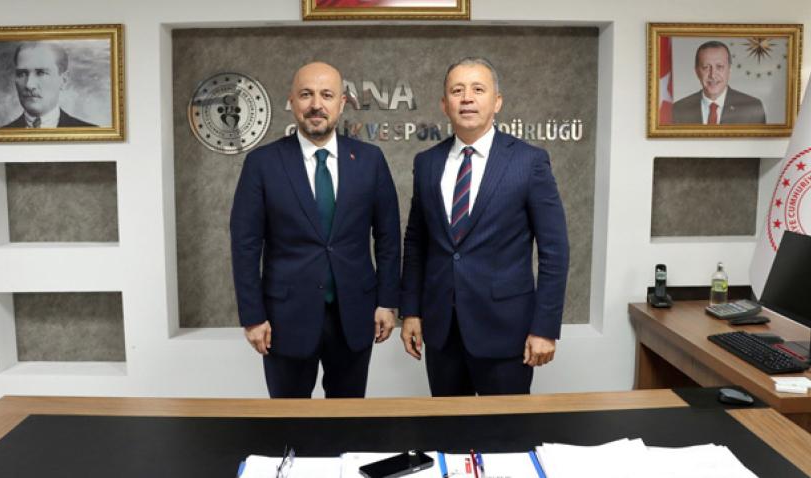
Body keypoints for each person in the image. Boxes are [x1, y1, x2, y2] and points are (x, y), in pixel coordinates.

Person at [230, 61, 401, 398]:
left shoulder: (370, 160)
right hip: (284, 319)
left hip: (354, 314)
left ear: (342, 103)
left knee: (347, 418)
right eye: (306, 94)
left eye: (327, 95)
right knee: (290, 420)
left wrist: (387, 301)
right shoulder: (262, 164)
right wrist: (252, 316)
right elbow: (245, 245)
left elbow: (388, 238)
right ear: (292, 101)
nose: (316, 104)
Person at [400, 57, 569, 396]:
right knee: (449, 425)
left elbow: (555, 250)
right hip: (442, 332)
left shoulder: (529, 161)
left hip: (506, 330)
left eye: (478, 89)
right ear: (444, 104)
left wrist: (545, 328)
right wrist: (411, 312)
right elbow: (417, 243)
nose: (467, 98)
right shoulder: (427, 162)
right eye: (457, 91)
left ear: (497, 102)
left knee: (505, 428)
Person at [2, 41, 96, 128]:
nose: (29, 85)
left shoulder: (90, 133)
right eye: (22, 74)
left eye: (41, 73)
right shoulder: (0, 135)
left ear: (63, 80)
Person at [672, 41, 766, 124]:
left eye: (719, 67)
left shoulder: (752, 109)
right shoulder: (678, 110)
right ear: (697, 71)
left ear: (729, 69)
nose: (712, 75)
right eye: (706, 67)